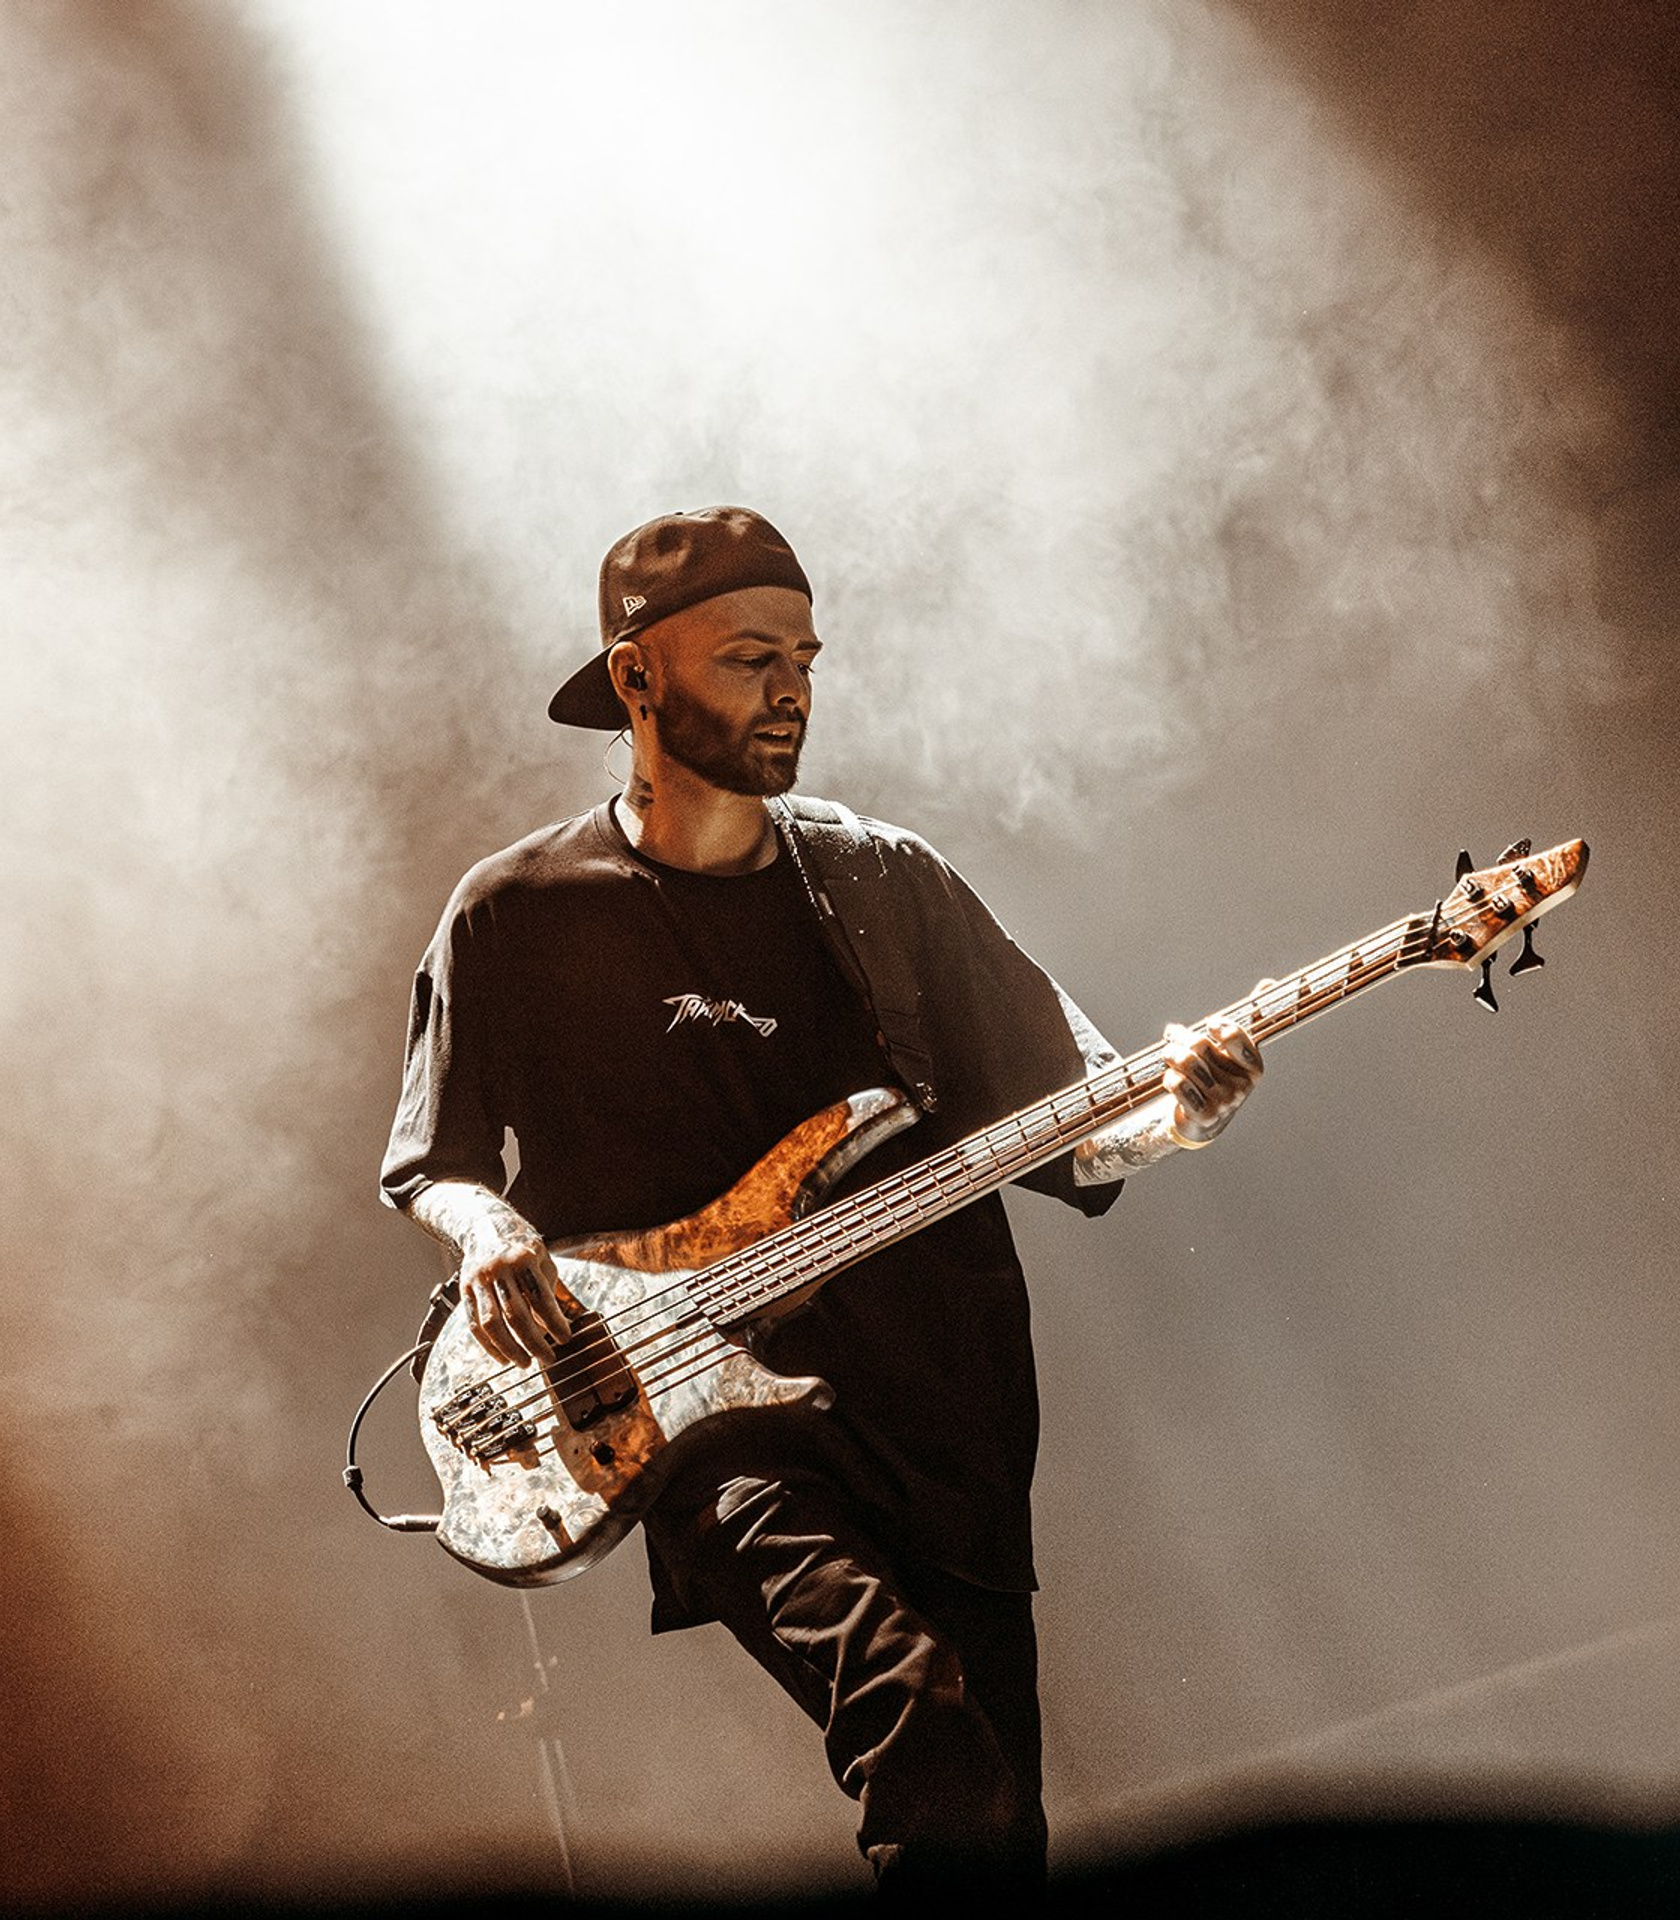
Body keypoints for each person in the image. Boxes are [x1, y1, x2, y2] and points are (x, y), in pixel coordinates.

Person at [381, 506, 1261, 1893]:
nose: (793, 688)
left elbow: (1080, 1130)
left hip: (947, 1418)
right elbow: (431, 1157)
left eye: (806, 657)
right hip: (696, 1423)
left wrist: (1177, 1117)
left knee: (988, 1835)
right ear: (635, 679)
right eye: (750, 658)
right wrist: (487, 1226)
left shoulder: (884, 885)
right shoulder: (516, 912)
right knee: (922, 1737)